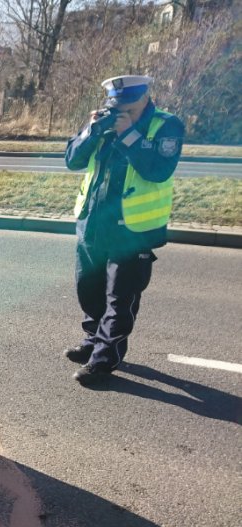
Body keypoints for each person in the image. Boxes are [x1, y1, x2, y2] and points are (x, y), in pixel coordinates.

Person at [64, 75, 184, 385]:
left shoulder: (166, 125)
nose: (121, 114)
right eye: (116, 107)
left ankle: (106, 358)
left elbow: (158, 170)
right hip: (92, 222)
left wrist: (128, 134)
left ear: (145, 98)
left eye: (128, 109)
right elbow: (72, 160)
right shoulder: (104, 121)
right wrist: (91, 130)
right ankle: (93, 341)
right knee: (87, 287)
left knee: (120, 297)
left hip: (133, 229)